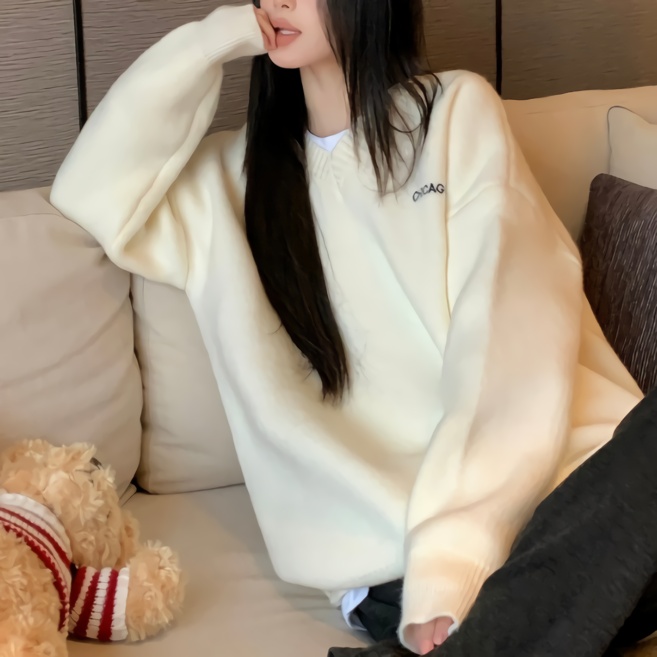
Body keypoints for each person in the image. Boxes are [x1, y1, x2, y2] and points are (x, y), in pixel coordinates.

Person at [49, 1, 653, 655]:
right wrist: (212, 42)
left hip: (562, 506)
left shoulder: (452, 114)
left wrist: (453, 554)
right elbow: (88, 191)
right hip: (389, 569)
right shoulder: (226, 183)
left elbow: (510, 335)